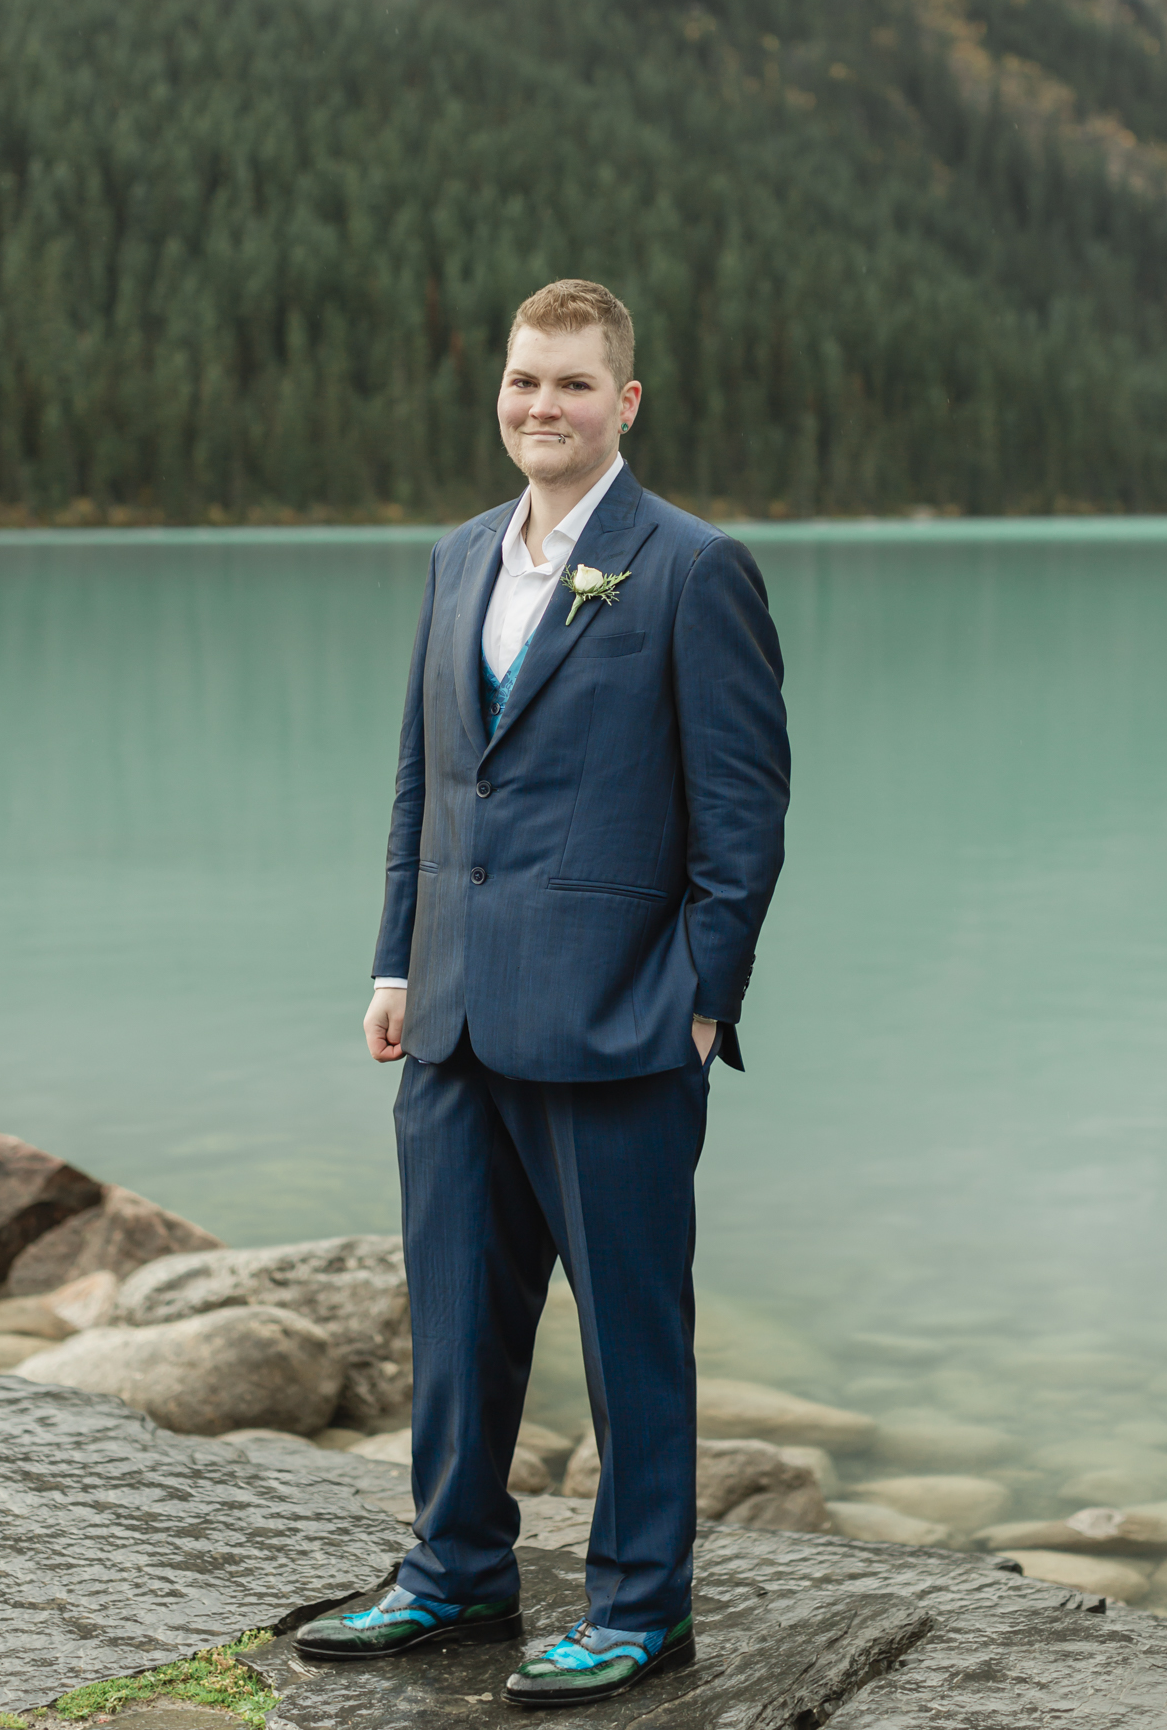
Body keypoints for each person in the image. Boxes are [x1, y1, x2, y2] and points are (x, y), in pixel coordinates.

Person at [294, 278, 790, 1707]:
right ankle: (455, 1577)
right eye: (522, 381)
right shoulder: (457, 559)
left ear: (624, 401)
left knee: (633, 1332)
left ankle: (643, 1609)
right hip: (449, 1016)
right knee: (453, 1315)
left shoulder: (694, 568)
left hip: (619, 1021)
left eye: (572, 384)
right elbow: (425, 782)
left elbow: (744, 815)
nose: (540, 406)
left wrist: (700, 1001)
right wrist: (397, 960)